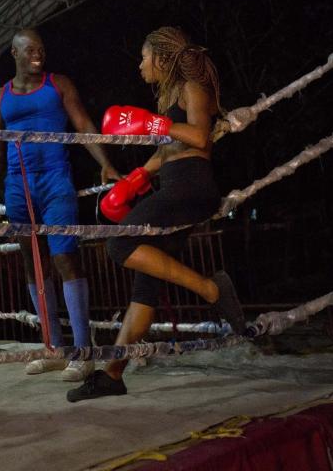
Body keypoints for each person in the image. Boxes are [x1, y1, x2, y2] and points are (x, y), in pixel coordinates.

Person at [67, 26, 245, 402]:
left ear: (162, 58)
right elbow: (168, 150)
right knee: (144, 289)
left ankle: (211, 288)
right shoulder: (169, 100)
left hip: (192, 188)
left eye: (145, 56)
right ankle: (113, 374)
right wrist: (136, 177)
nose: (140, 65)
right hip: (174, 186)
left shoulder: (192, 87)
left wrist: (153, 123)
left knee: (119, 245)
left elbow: (199, 137)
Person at [0, 28, 121, 381]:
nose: (37, 55)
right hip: (17, 186)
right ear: (13, 53)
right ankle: (54, 348)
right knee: (33, 264)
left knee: (64, 258)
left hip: (56, 179)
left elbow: (83, 124)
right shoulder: (0, 97)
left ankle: (83, 351)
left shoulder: (58, 84)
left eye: (41, 49)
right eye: (30, 50)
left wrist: (104, 162)